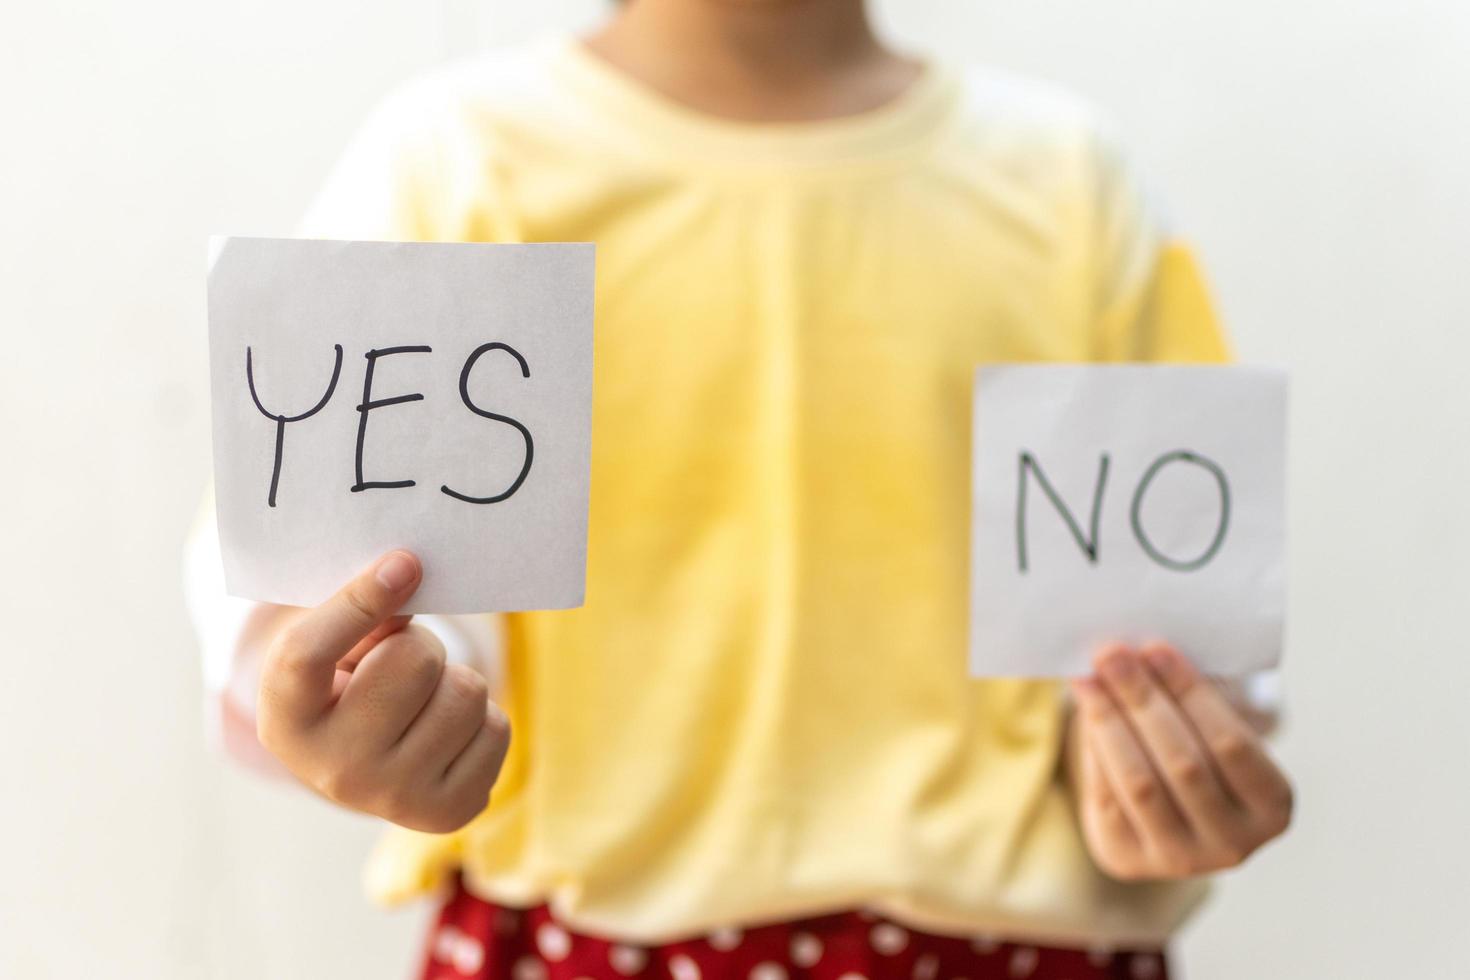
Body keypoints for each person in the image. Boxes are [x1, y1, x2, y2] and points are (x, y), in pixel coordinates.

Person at [186, 1, 1292, 977]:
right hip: (585, 944)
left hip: (1019, 946)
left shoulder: (1070, 181)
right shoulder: (456, 158)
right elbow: (310, 594)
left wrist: (1173, 765)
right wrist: (343, 696)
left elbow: (1183, 627)